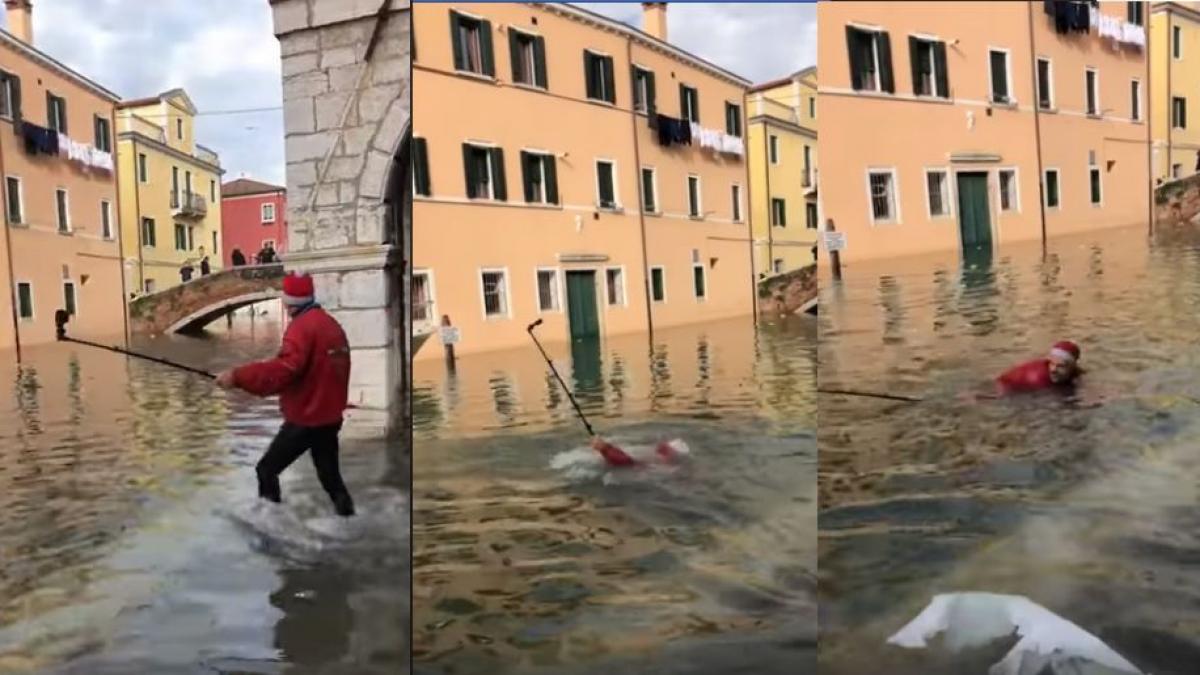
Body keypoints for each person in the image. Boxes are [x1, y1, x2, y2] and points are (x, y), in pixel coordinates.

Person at [215, 272, 356, 517]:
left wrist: (237, 377)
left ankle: (271, 522)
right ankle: (349, 519)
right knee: (330, 477)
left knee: (266, 470)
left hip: (307, 419)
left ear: (290, 302)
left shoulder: (301, 328)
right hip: (329, 417)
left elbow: (284, 370)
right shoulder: (330, 324)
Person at [996, 340, 1083, 395]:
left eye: (1061, 366)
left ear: (1072, 367)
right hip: (1005, 387)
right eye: (1051, 364)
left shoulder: (1076, 371)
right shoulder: (1037, 378)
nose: (1053, 370)